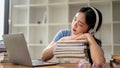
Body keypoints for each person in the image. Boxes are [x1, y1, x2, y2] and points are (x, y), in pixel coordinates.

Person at [41, 6, 105, 65]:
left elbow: (99, 63)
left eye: (80, 24)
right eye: (74, 19)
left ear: (91, 30)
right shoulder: (63, 34)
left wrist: (89, 37)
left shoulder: (93, 42)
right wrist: (61, 40)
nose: (74, 25)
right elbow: (43, 57)